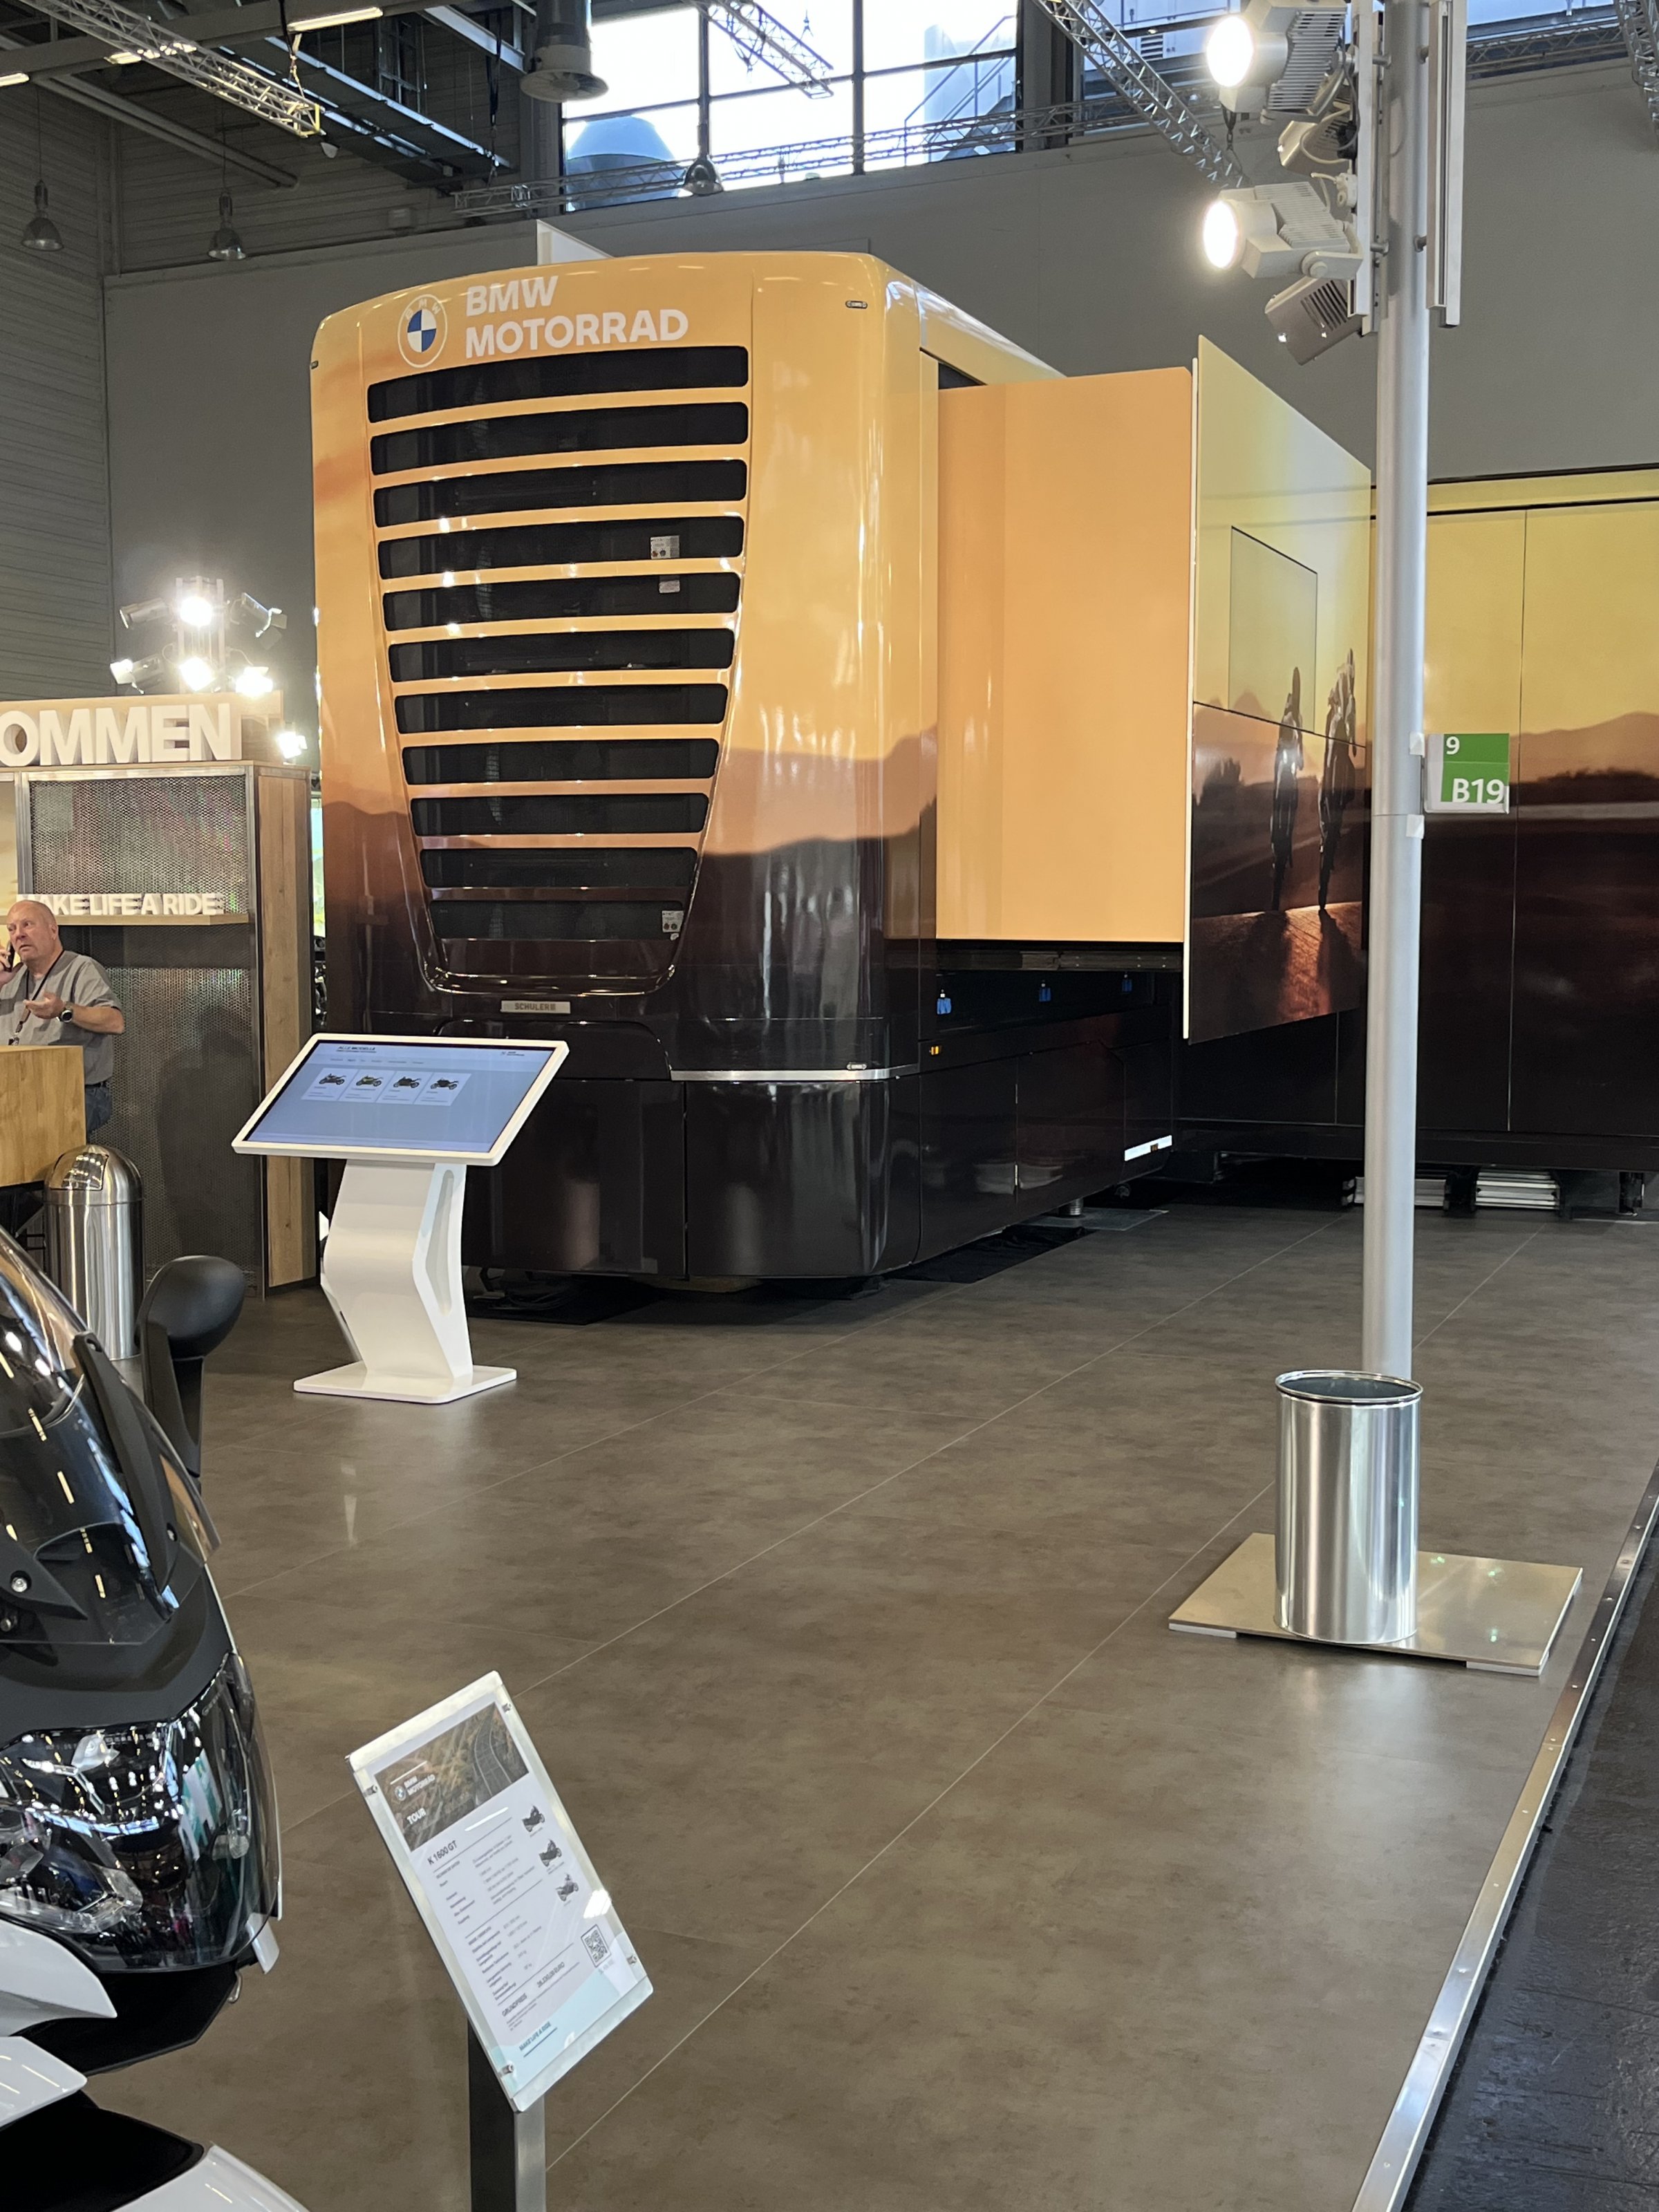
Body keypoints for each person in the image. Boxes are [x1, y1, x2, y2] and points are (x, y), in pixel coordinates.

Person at [1, 899, 126, 1135]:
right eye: (12, 929)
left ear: (53, 930)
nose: (19, 934)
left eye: (27, 925)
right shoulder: (10, 978)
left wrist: (64, 1010)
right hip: (17, 1092)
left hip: (77, 1092)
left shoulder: (82, 968)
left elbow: (115, 1022)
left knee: (34, 1131)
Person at [1318, 650, 1358, 915]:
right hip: (1332, 772)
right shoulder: (1333, 716)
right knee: (1328, 820)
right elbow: (1329, 749)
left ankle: (1329, 854)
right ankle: (1327, 850)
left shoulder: (1345, 711)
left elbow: (1349, 746)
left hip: (1338, 772)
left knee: (1334, 823)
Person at [1269, 667, 1304, 912]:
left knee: (1287, 814)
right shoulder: (1288, 725)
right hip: (1285, 780)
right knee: (1282, 816)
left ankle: (1284, 844)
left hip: (1287, 780)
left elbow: (1297, 762)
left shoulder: (1292, 726)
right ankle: (1281, 845)